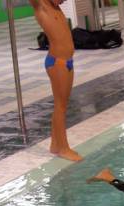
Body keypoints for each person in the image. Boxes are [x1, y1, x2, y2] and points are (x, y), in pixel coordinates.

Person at [30, 0, 81, 162]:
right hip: (57, 62)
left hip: (67, 61)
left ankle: (55, 144)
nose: (63, 1)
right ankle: (63, 149)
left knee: (62, 104)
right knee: (61, 106)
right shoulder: (42, 7)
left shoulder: (56, 8)